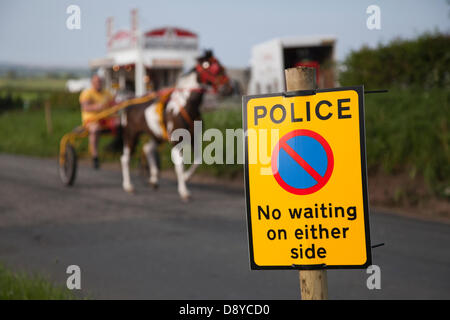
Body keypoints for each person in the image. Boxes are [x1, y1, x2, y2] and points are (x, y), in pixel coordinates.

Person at [79, 74, 116, 169]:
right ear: (92, 83)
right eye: (96, 82)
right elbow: (85, 107)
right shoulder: (87, 93)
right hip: (91, 120)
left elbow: (113, 104)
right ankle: (95, 156)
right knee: (95, 129)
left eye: (100, 82)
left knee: (122, 124)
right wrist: (97, 107)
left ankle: (118, 148)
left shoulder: (107, 93)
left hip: (106, 119)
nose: (98, 84)